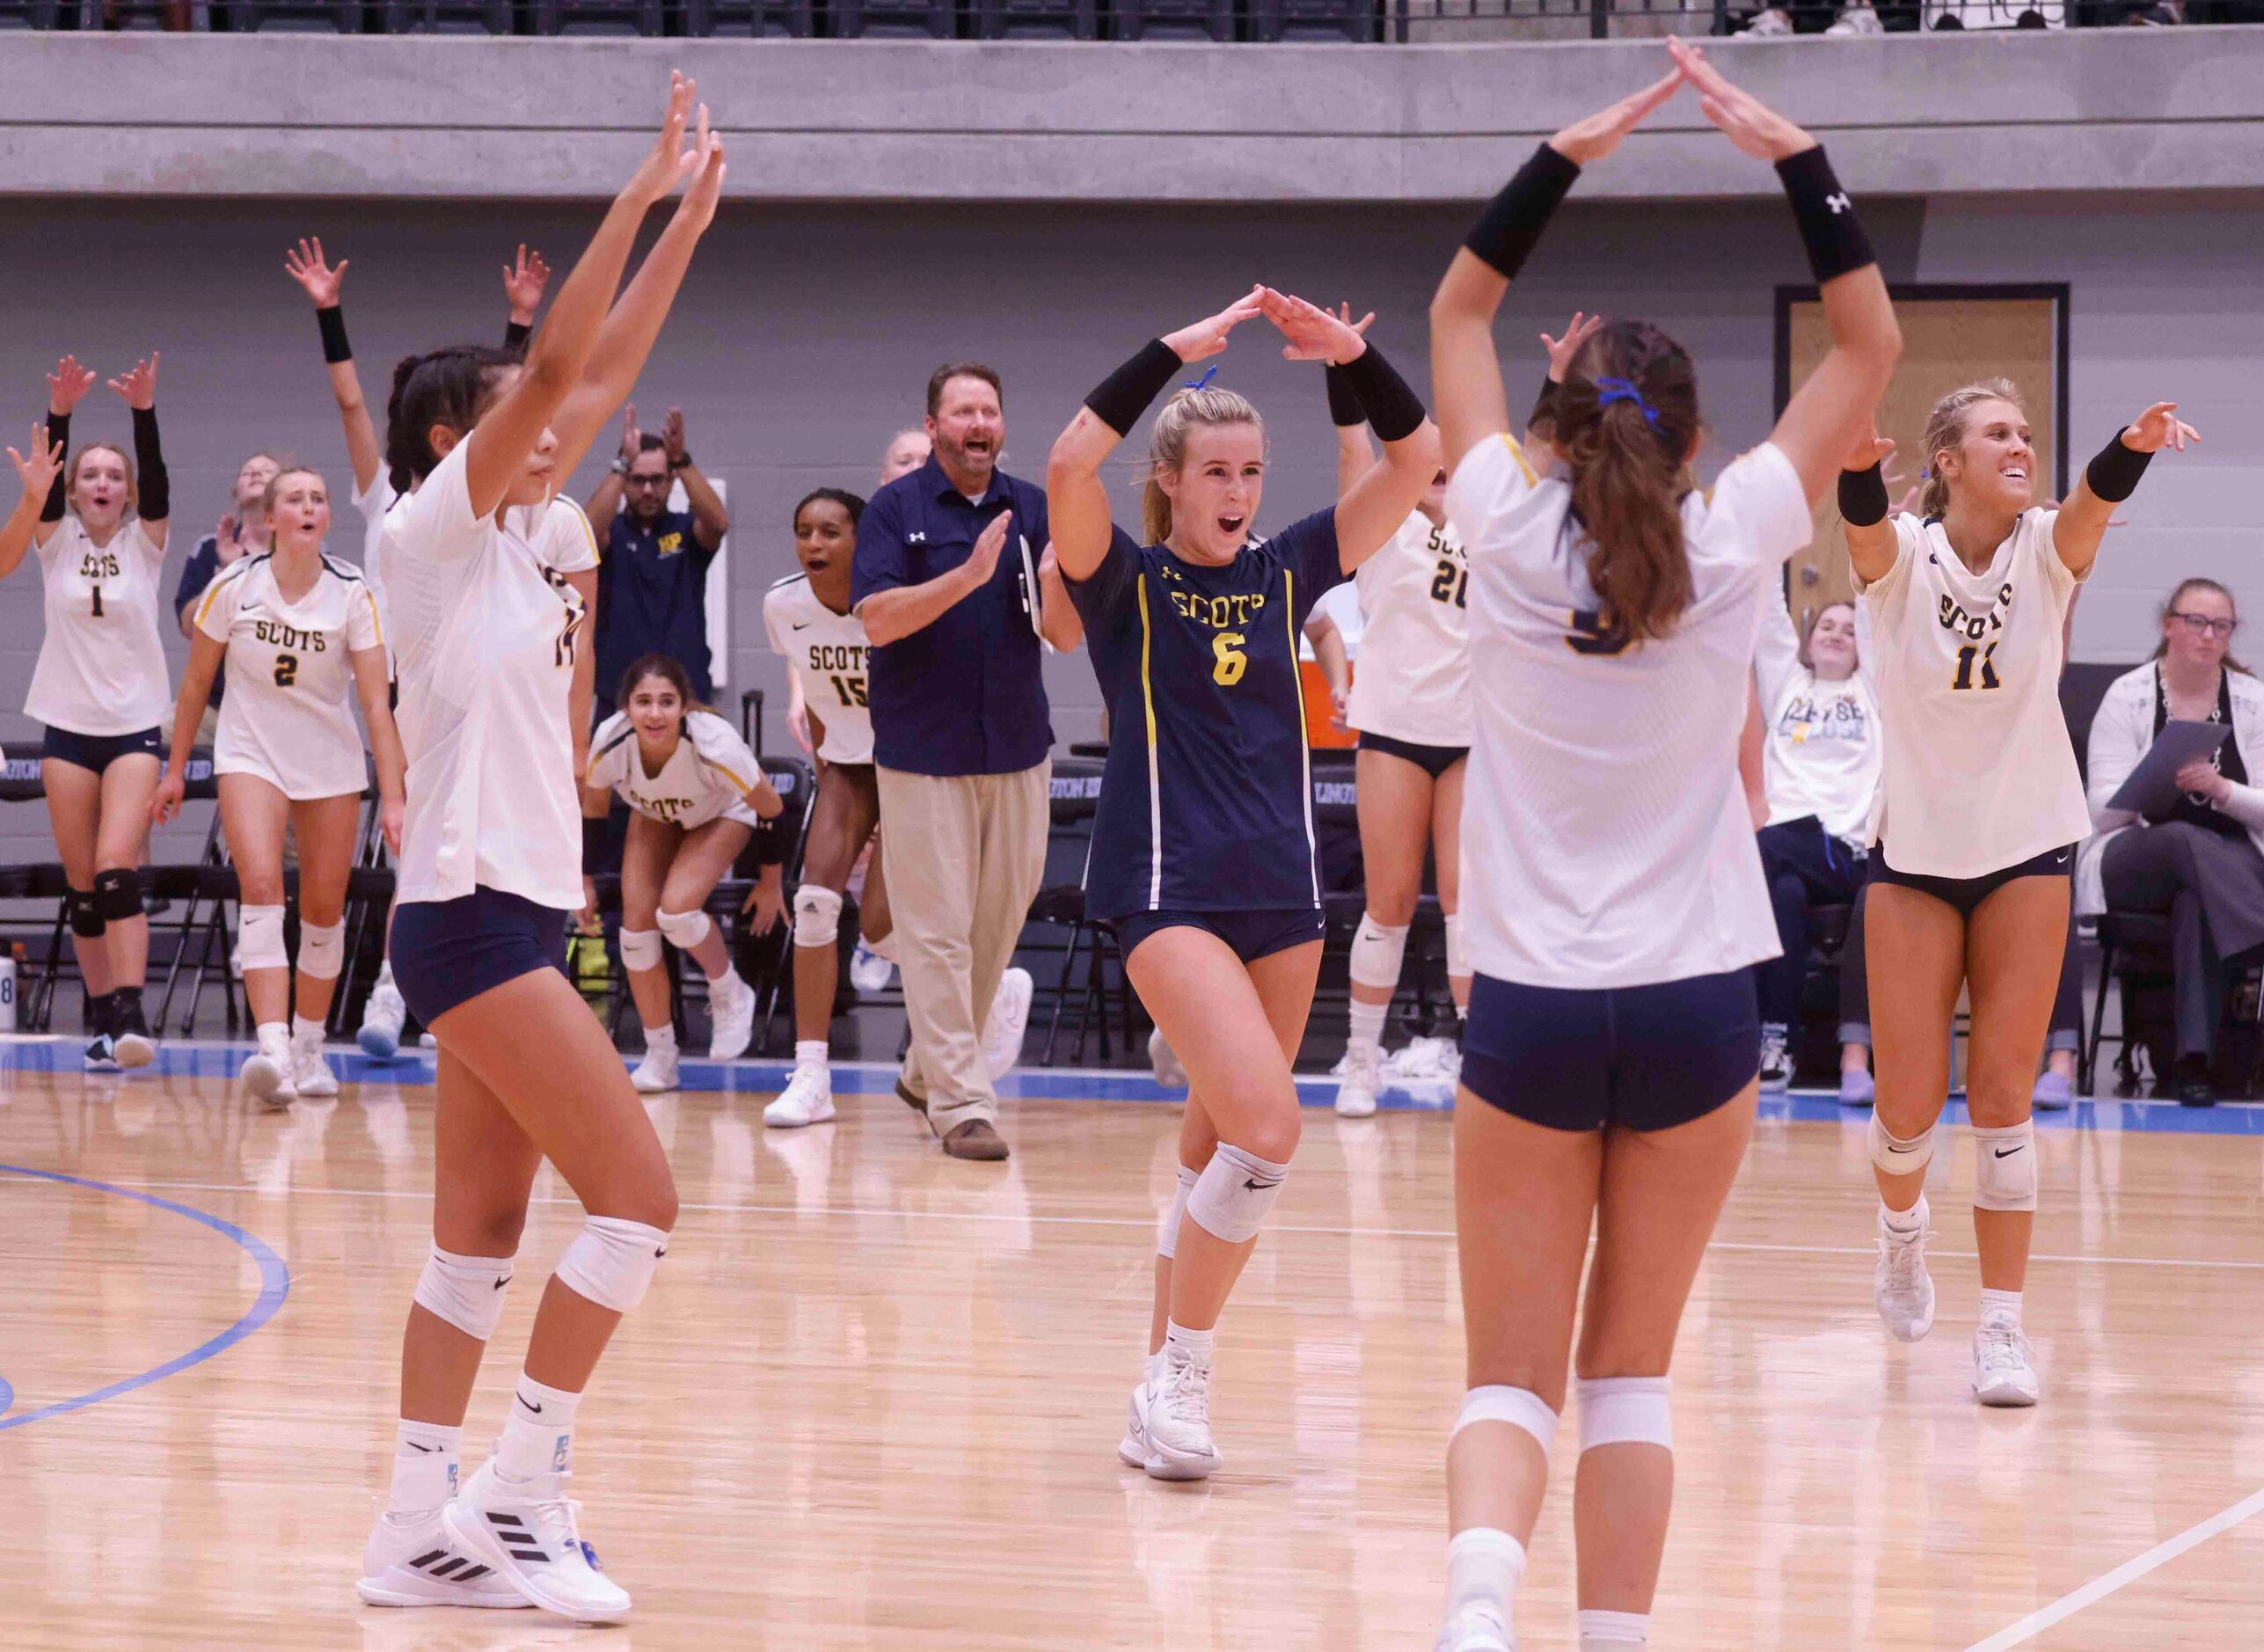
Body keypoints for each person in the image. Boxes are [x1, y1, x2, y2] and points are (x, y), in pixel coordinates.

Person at [1426, 42, 1902, 1652]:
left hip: (1532, 1004)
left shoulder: (1492, 519)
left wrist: (1559, 155)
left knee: (1508, 1374)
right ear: (1692, 438)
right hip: (1697, 999)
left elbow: (1452, 318)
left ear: (1553, 431)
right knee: (1628, 1370)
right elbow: (1865, 340)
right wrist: (1798, 156)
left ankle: (1475, 1611)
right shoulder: (1735, 530)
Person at [354, 76, 722, 1624]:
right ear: (457, 437)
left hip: (501, 902)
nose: (553, 421)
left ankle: (408, 1523)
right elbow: (566, 360)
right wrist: (633, 194)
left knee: (481, 1237)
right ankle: (519, 1487)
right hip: (458, 916)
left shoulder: (514, 541)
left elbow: (603, 363)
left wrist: (686, 229)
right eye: (513, 411)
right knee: (638, 1196)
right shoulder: (425, 532)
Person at [1052, 286, 1440, 1480]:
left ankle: (1149, 1385)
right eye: (1214, 470)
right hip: (1163, 889)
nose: (1236, 492)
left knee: (1213, 1146)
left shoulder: (1292, 567)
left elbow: (1418, 457)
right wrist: (1172, 347)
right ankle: (1185, 1367)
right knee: (1270, 1130)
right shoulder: (1117, 579)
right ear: (1171, 478)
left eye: (1251, 471)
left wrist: (1357, 355)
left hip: (1281, 893)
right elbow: (1071, 456)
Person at [1847, 318, 2196, 1418]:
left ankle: (2002, 1329)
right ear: (1944, 461)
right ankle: (1904, 1240)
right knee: (1907, 1111)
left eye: (2028, 434)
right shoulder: (1903, 555)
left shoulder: (2050, 546)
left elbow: (2091, 500)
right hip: (1911, 856)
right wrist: (1859, 470)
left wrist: (2130, 444)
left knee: (2003, 1100)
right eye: (1997, 434)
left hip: (2028, 849)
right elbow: (1860, 531)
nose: (2021, 447)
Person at [283, 232, 552, 1061]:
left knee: (442, 856)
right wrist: (329, 314)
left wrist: (517, 328)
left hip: (459, 672)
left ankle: (413, 997)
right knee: (430, 853)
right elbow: (354, 407)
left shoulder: (490, 509)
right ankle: (402, 992)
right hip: (404, 672)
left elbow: (509, 425)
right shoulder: (390, 505)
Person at [850, 362, 1052, 1162]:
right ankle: (962, 1103)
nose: (978, 423)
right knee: (936, 932)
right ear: (933, 427)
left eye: (990, 411)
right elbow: (876, 621)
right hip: (922, 752)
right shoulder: (894, 512)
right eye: (963, 411)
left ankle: (922, 1068)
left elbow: (1058, 617)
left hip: (1017, 746)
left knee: (996, 923)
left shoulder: (1032, 506)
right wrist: (966, 578)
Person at [153, 467, 405, 1104]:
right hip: (250, 755)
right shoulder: (232, 587)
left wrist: (395, 795)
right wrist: (177, 767)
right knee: (261, 890)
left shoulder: (353, 593)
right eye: (295, 498)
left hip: (329, 763)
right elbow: (193, 686)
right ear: (268, 519)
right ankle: (271, 1051)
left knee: (324, 910)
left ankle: (309, 1047)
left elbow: (378, 706)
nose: (310, 506)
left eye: (319, 498)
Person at [0, 353, 176, 1071]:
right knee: (81, 890)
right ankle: (103, 1025)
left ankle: (132, 1014)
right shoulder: (55, 541)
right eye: (90, 476)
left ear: (128, 494)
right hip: (66, 728)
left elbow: (158, 480)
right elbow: (30, 517)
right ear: (73, 493)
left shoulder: (147, 543)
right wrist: (60, 415)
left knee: (115, 872)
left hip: (133, 725)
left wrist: (143, 413)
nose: (103, 483)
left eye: (115, 476)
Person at [1321, 307, 1475, 1117]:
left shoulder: (1493, 534)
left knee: (1465, 903)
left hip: (1471, 741)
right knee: (1387, 901)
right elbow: (1354, 448)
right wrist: (1341, 363)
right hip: (1393, 730)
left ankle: (1481, 1068)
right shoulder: (1384, 529)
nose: (1440, 468)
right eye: (1429, 459)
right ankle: (1359, 1063)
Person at [2082, 576, 2264, 1106]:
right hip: (2133, 857)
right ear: (2169, 627)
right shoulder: (2128, 694)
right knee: (2184, 838)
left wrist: (2222, 790)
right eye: (2196, 622)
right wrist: (2156, 779)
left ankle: (2192, 1064)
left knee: (2195, 902)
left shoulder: (2252, 700)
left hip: (2226, 870)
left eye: (2222, 626)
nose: (2209, 635)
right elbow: (2098, 812)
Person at [580, 654, 783, 1093]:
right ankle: (661, 1056)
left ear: (684, 707)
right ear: (626, 708)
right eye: (644, 701)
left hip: (722, 813)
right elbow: (594, 810)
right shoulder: (611, 742)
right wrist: (585, 882)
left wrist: (770, 883)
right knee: (634, 935)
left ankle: (729, 990)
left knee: (675, 913)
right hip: (654, 814)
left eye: (667, 702)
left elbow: (773, 807)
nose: (655, 713)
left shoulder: (715, 746)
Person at [761, 488, 887, 1126]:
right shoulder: (783, 604)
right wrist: (828, 779)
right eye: (804, 530)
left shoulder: (891, 600)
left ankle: (986, 987)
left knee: (886, 930)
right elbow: (812, 691)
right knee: (813, 905)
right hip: (845, 764)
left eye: (831, 532)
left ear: (861, 540)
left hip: (913, 763)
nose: (814, 543)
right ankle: (812, 1075)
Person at [1751, 588, 1878, 1091]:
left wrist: (1870, 560)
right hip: (1786, 857)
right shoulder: (1786, 684)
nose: (1837, 635)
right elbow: (1769, 620)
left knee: (1758, 848)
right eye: (1826, 626)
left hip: (1844, 850)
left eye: (1848, 631)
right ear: (1808, 639)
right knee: (1783, 895)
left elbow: (1872, 621)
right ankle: (1776, 1041)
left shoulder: (1871, 690)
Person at [585, 404, 730, 720]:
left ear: (671, 480)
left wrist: (682, 460)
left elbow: (718, 523)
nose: (648, 490)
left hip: (687, 692)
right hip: (619, 695)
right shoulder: (612, 534)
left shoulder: (686, 530)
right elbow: (587, 532)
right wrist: (621, 463)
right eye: (637, 480)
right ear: (624, 481)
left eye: (657, 479)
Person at [172, 451, 286, 735]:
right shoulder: (210, 548)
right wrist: (226, 574)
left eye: (266, 470)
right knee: (150, 749)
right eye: (248, 472)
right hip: (214, 707)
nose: (256, 474)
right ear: (236, 495)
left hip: (282, 708)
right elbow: (189, 626)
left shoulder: (303, 552)